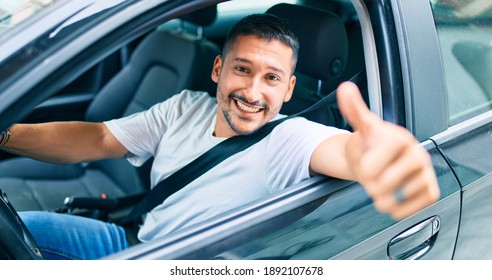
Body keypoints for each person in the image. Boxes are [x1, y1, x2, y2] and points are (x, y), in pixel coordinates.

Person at [0, 13, 439, 259]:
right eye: (242, 69)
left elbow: (346, 151)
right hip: (133, 241)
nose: (252, 92)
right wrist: (5, 134)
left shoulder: (292, 140)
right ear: (218, 69)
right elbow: (96, 140)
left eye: (271, 78)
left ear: (288, 89)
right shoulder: (184, 108)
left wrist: (383, 158)